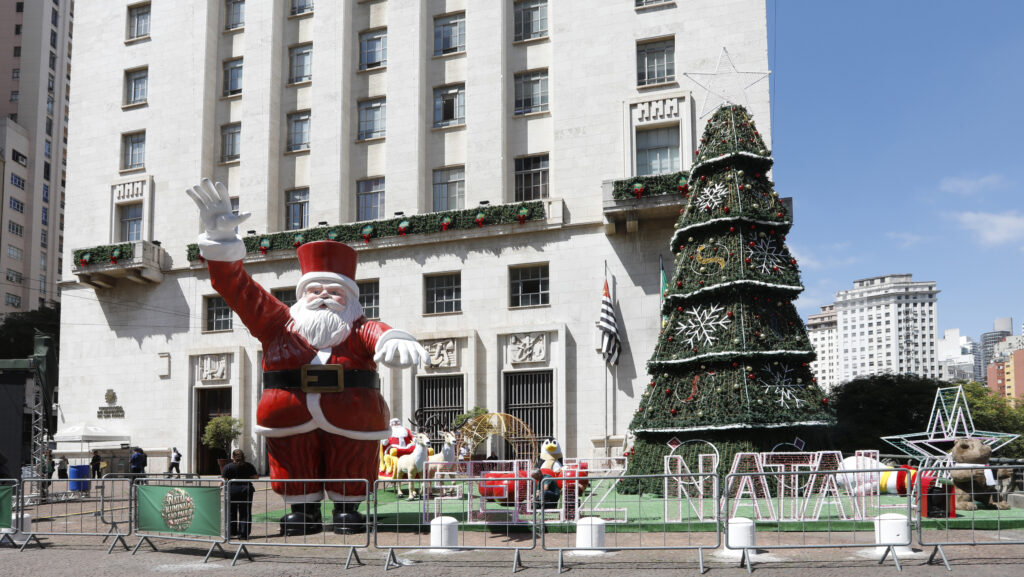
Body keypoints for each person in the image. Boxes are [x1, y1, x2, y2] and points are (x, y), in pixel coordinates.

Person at [186, 178, 426, 536]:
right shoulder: (277, 322)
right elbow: (238, 289)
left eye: (335, 291)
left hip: (353, 415)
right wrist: (222, 244)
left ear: (351, 299)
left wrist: (395, 337)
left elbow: (380, 332)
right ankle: (302, 511)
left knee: (352, 462)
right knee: (293, 461)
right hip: (288, 412)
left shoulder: (359, 328)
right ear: (302, 295)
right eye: (315, 290)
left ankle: (348, 510)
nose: (324, 296)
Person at [221, 449, 258, 540]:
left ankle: (231, 532)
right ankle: (243, 534)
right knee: (245, 513)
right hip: (246, 490)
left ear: (233, 457)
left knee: (231, 512)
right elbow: (256, 477)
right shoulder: (248, 465)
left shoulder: (228, 467)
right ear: (243, 456)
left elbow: (223, 480)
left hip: (232, 490)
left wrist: (218, 491)